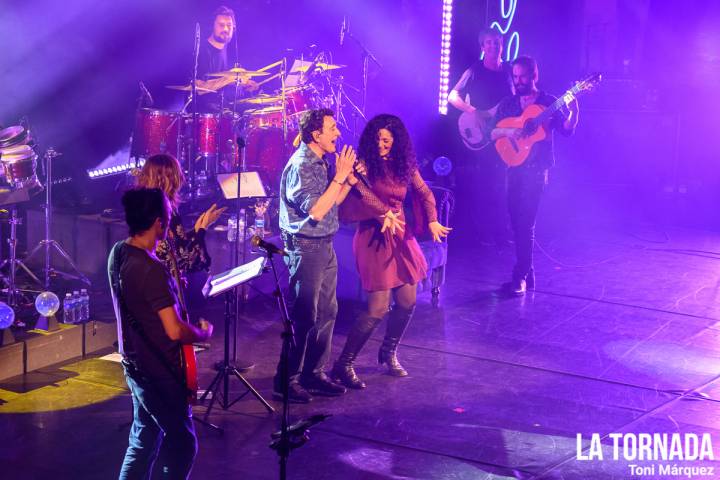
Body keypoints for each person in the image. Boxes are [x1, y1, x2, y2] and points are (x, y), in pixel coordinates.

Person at [331, 114, 451, 389]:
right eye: (377, 139)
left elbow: (426, 194)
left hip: (400, 234)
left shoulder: (404, 165)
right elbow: (362, 193)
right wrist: (385, 212)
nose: (381, 144)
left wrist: (432, 220)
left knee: (408, 300)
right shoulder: (364, 165)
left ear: (397, 141)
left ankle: (388, 352)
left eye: (386, 139)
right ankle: (344, 364)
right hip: (373, 235)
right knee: (378, 308)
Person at [108, 187, 214, 479]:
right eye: (168, 212)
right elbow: (174, 329)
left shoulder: (118, 254)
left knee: (143, 440)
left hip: (135, 365)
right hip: (159, 372)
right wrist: (202, 334)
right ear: (159, 221)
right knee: (182, 444)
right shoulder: (151, 269)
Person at [275, 108, 360, 403]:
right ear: (316, 134)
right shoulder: (301, 165)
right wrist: (340, 175)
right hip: (305, 247)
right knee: (304, 316)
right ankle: (287, 380)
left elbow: (330, 204)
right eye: (332, 128)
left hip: (324, 244)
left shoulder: (320, 162)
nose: (337, 133)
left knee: (327, 312)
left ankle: (313, 373)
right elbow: (315, 210)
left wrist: (346, 181)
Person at [490, 55, 579, 295]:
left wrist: (572, 114)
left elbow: (566, 131)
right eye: (515, 77)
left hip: (537, 170)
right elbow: (493, 133)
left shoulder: (549, 102)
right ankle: (528, 275)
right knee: (516, 223)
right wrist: (512, 131)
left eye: (523, 77)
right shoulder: (509, 103)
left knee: (525, 224)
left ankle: (519, 278)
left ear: (534, 76)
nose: (518, 81)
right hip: (513, 167)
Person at [448, 27, 513, 246]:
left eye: (497, 42)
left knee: (504, 185)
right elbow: (452, 96)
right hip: (483, 136)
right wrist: (473, 111)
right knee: (486, 185)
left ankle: (501, 233)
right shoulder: (475, 70)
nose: (494, 46)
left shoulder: (510, 71)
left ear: (502, 45)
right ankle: (483, 234)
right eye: (489, 43)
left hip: (505, 135)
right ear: (483, 47)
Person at [197, 5, 258, 107]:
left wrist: (244, 83)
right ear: (213, 26)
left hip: (223, 109)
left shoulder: (228, 50)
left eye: (229, 25)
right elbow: (199, 89)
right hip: (203, 114)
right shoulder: (201, 50)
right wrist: (231, 77)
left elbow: (222, 82)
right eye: (221, 25)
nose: (225, 29)